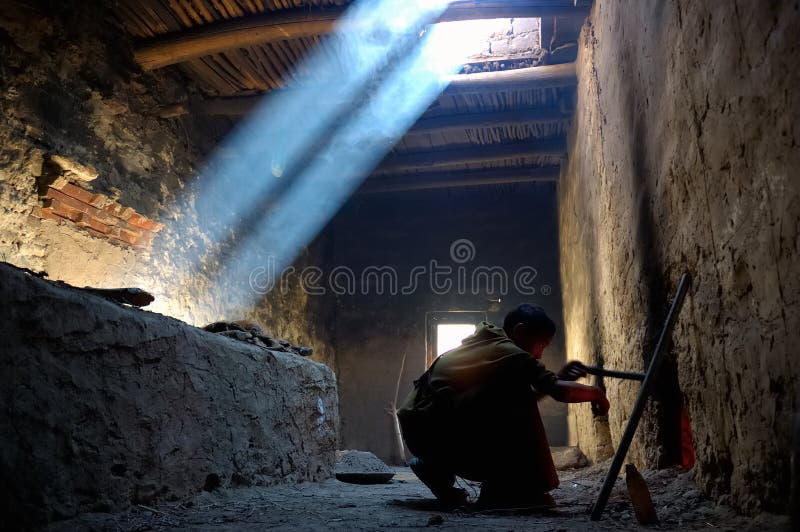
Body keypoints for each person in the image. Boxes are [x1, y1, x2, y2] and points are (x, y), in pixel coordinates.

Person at [397, 303, 609, 510]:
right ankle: (503, 492)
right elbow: (558, 391)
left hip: (421, 433)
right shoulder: (510, 353)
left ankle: (432, 466)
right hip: (435, 433)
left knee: (515, 388)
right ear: (520, 331)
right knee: (516, 386)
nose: (540, 354)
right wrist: (597, 394)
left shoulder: (488, 344)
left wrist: (557, 378)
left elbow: (517, 403)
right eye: (541, 344)